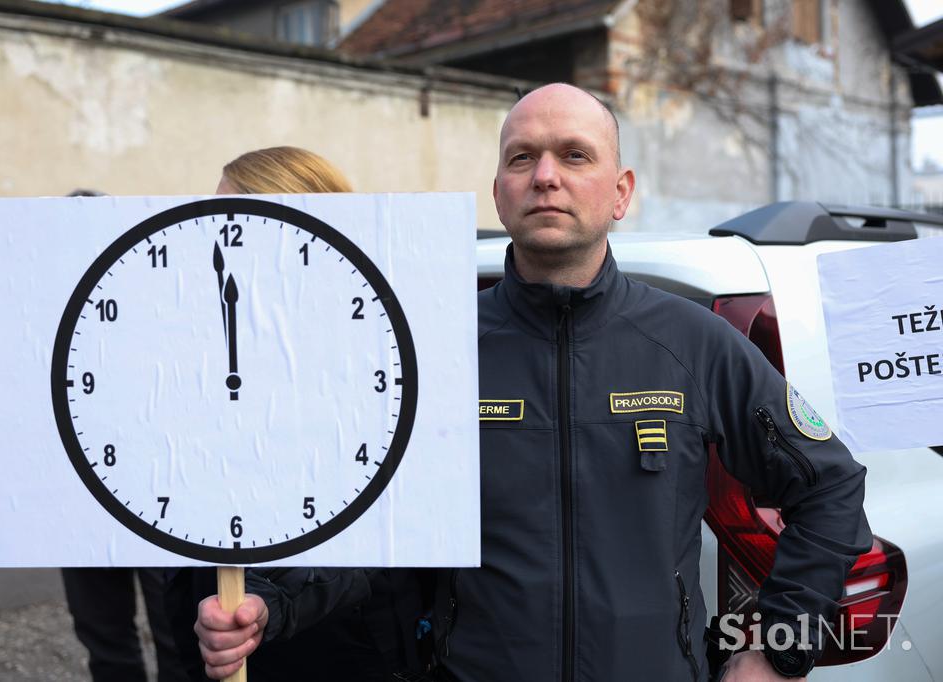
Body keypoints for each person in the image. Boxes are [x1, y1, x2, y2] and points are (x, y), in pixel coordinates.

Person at [195, 85, 873, 681]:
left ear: (621, 191)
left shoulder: (694, 344)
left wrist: (785, 650)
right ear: (498, 191)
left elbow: (830, 484)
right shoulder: (432, 350)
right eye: (522, 157)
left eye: (575, 155)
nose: (546, 175)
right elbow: (385, 537)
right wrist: (270, 606)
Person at [165, 146, 422, 682]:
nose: (212, 233)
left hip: (338, 648)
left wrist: (268, 606)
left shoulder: (372, 353)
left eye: (233, 217)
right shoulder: (209, 345)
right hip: (217, 633)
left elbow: (376, 541)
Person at [60, 189, 191, 682]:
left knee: (176, 633)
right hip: (81, 506)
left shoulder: (160, 300)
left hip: (159, 497)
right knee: (103, 638)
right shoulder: (42, 315)